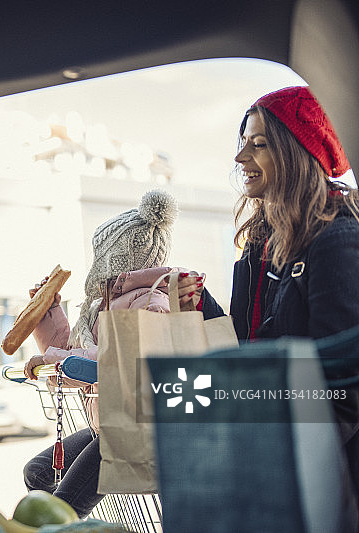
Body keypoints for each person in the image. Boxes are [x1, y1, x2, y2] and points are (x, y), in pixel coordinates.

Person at [177, 85, 359, 519]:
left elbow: (345, 387)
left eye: (258, 145)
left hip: (326, 472)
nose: (241, 159)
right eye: (243, 144)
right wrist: (198, 302)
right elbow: (246, 344)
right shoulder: (260, 241)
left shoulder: (338, 238)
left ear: (298, 151)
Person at [21, 189, 191, 517]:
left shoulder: (154, 304)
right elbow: (75, 352)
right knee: (38, 474)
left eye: (101, 253)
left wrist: (54, 360)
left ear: (118, 257)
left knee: (61, 508)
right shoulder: (104, 305)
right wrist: (47, 314)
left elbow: (123, 361)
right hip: (108, 424)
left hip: (139, 430)